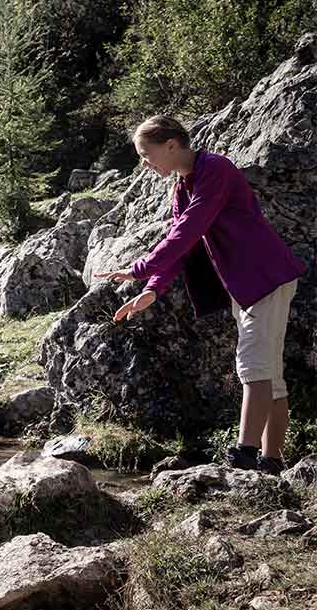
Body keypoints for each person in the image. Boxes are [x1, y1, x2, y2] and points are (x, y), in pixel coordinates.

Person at [96, 115, 306, 474]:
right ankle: (271, 462)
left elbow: (188, 231)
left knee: (253, 366)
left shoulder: (215, 170)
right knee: (269, 373)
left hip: (267, 278)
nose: (144, 164)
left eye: (147, 154)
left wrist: (138, 268)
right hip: (249, 286)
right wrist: (151, 289)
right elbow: (184, 247)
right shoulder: (182, 187)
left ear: (172, 145)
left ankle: (244, 455)